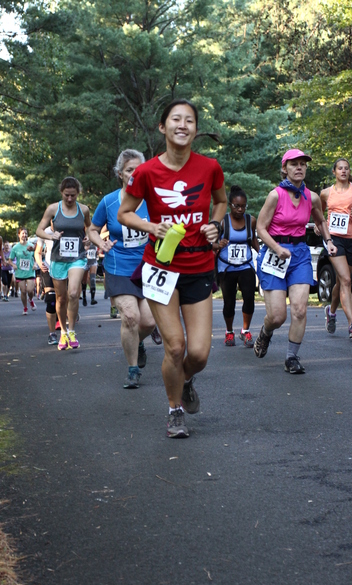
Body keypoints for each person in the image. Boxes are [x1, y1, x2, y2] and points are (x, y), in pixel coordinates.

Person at [118, 99, 227, 437]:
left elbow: (221, 202)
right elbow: (125, 213)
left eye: (189, 120)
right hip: (161, 268)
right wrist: (152, 227)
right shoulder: (146, 172)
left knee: (199, 354)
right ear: (163, 127)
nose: (183, 125)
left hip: (199, 266)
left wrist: (215, 225)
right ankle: (174, 410)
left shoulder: (210, 167)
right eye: (176, 119)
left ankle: (186, 379)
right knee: (175, 346)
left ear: (196, 129)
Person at [254, 149, 337, 373]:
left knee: (300, 310)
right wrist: (277, 248)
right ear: (285, 168)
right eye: (294, 164)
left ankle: (291, 358)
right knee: (277, 316)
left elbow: (320, 221)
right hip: (275, 254)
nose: (299, 167)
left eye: (303, 164)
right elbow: (260, 228)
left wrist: (328, 241)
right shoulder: (275, 195)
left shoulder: (312, 197)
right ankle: (266, 332)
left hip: (299, 255)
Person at [89, 149, 156, 389]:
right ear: (120, 173)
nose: (134, 174)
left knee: (148, 322)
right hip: (118, 266)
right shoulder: (109, 202)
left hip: (149, 266)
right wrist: (101, 242)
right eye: (129, 170)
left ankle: (137, 342)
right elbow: (92, 230)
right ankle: (132, 369)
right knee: (130, 317)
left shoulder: (152, 199)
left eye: (139, 170)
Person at [36, 176, 92, 351]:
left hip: (77, 257)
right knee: (60, 298)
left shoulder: (83, 210)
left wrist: (89, 238)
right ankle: (63, 332)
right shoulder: (53, 209)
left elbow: (90, 228)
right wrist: (50, 235)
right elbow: (39, 230)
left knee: (73, 293)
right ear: (61, 192)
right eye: (66, 195)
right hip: (58, 258)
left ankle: (72, 331)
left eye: (73, 195)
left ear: (78, 194)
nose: (69, 198)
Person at [214, 185, 260, 348]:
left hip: (245, 265)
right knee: (229, 302)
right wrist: (218, 244)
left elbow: (252, 239)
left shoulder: (251, 220)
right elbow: (212, 243)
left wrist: (261, 254)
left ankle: (245, 331)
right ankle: (229, 332)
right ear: (230, 205)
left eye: (243, 206)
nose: (240, 209)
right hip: (226, 267)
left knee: (249, 297)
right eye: (237, 206)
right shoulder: (222, 222)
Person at [320, 158, 352, 338]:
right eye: (340, 168)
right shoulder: (326, 193)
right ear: (334, 172)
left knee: (342, 281)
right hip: (334, 239)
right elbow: (319, 213)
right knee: (346, 280)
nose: (343, 171)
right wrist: (319, 226)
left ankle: (331, 312)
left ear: (349, 171)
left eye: (346, 168)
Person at [35, 226, 58, 345]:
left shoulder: (69, 227)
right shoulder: (45, 232)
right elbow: (38, 252)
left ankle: (66, 330)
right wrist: (40, 263)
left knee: (63, 300)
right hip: (48, 269)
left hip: (65, 270)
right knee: (51, 299)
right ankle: (52, 333)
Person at [8, 228, 37, 315]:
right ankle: (25, 307)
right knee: (23, 291)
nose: (24, 235)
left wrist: (35, 264)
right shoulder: (15, 247)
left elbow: (36, 256)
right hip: (20, 272)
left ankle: (30, 299)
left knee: (30, 290)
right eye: (23, 233)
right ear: (19, 235)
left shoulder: (31, 245)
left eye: (26, 233)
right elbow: (10, 260)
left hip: (30, 271)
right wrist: (13, 265)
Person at [81, 241, 98, 306]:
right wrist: (85, 247)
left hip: (93, 261)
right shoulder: (83, 238)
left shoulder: (95, 238)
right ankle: (84, 297)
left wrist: (99, 250)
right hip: (85, 261)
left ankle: (92, 298)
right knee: (84, 280)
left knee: (92, 279)